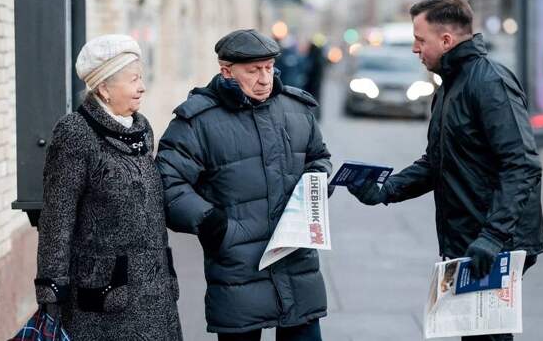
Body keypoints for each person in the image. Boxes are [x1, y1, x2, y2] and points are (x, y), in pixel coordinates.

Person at [348, 0, 543, 340]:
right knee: (476, 333)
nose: (414, 48)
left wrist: (492, 237)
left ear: (446, 40)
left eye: (419, 39)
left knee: (488, 334)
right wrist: (386, 190)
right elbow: (436, 161)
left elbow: (522, 164)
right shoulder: (449, 85)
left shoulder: (489, 82)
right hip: (469, 235)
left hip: (496, 240)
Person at [156, 29, 332, 341]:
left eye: (268, 68)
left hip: (296, 265)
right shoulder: (197, 122)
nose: (265, 79)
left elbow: (318, 157)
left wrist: (315, 186)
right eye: (253, 71)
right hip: (237, 268)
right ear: (226, 71)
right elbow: (167, 183)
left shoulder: (296, 108)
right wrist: (213, 223)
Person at [35, 34, 182, 340]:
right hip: (104, 299)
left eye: (141, 78)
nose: (142, 87)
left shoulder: (141, 129)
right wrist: (51, 291)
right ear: (103, 87)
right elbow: (56, 219)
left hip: (155, 292)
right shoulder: (75, 133)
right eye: (133, 80)